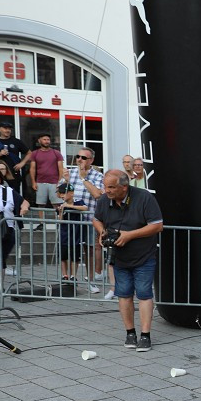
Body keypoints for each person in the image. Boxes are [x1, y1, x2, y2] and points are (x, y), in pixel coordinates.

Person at [91, 170, 164, 351]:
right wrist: (102, 232)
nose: (106, 190)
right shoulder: (103, 200)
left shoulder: (144, 198)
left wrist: (130, 235)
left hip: (143, 256)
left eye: (111, 187)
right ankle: (130, 333)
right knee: (123, 295)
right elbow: (96, 219)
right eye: (105, 186)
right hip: (119, 257)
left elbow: (157, 225)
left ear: (124, 187)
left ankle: (145, 336)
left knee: (144, 294)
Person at [64, 147, 106, 292]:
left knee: (89, 250)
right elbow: (60, 193)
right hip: (72, 218)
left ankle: (91, 281)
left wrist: (83, 178)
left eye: (83, 158)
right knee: (71, 249)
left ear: (91, 160)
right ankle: (71, 280)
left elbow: (98, 195)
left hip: (89, 218)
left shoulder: (98, 176)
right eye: (78, 157)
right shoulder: (70, 173)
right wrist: (65, 186)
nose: (79, 160)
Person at [0, 121, 31, 193]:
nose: (7, 130)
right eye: (5, 128)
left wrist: (22, 163)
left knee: (14, 195)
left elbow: (29, 153)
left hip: (14, 174)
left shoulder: (16, 141)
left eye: (9, 129)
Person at [29, 133, 65, 209]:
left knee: (57, 204)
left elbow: (61, 168)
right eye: (44, 139)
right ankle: (42, 221)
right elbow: (32, 168)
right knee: (41, 205)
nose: (47, 141)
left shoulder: (56, 153)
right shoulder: (35, 153)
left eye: (48, 140)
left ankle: (59, 220)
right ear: (39, 141)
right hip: (40, 182)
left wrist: (60, 182)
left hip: (54, 182)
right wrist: (33, 182)